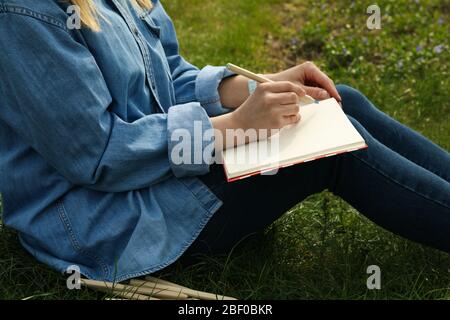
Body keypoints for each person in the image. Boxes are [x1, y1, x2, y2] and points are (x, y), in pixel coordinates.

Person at [0, 0, 448, 282]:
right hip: (107, 219)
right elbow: (96, 155)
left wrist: (259, 88)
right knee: (330, 155)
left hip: (146, 175)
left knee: (335, 103)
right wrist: (235, 127)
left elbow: (169, 77)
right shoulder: (27, 13)